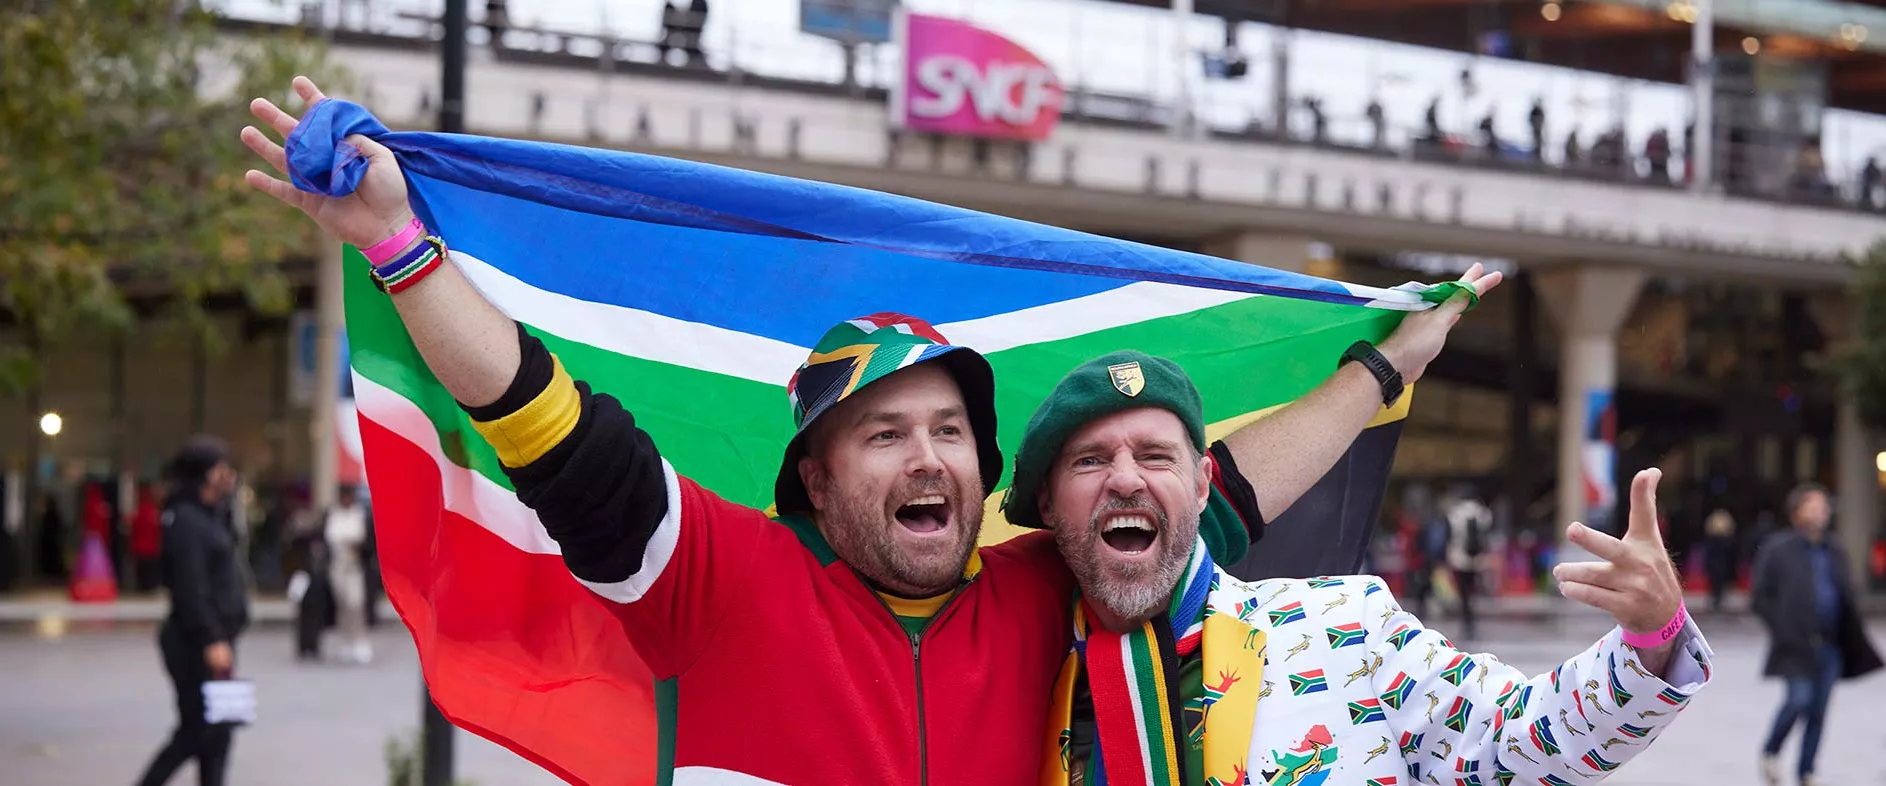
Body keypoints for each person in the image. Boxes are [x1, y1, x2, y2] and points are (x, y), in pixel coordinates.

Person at [238, 76, 1498, 783]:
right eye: (882, 432)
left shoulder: (1038, 599)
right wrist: (401, 247)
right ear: (816, 477)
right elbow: (554, 435)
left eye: (948, 430)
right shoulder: (719, 582)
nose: (927, 456)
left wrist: (1384, 366)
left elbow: (1212, 501)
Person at [1005, 352, 1713, 785]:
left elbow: (1519, 741)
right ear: (1047, 501)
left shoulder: (1345, 625)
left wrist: (1651, 641)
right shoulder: (1007, 670)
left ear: (1200, 484)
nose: (1125, 479)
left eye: (1155, 456)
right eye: (1090, 461)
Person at [1752, 483, 1883, 786]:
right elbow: (1760, 597)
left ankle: (1806, 771)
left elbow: (1846, 591)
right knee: (1798, 698)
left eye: (1824, 505)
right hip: (1795, 644)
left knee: (1819, 711)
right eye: (1813, 505)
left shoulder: (1833, 547)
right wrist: (1783, 628)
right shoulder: (1778, 548)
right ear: (1796, 512)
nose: (1821, 511)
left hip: (1830, 644)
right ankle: (1771, 751)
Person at [135, 436, 248, 786]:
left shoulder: (212, 515)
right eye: (220, 467)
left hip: (218, 639)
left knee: (220, 731)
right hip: (195, 642)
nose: (227, 474)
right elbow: (190, 588)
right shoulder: (185, 521)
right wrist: (210, 638)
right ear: (202, 473)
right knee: (197, 731)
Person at [322, 484, 375, 664]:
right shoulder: (333, 515)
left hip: (354, 566)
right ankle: (344, 639)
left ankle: (359, 639)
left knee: (356, 604)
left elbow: (366, 542)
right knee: (342, 605)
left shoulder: (359, 515)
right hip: (337, 566)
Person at [1444, 493, 1492, 641]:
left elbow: (1450, 535)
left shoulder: (1455, 514)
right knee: (1472, 589)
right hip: (1477, 558)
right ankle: (1471, 620)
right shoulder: (1483, 513)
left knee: (1463, 591)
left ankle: (1467, 619)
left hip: (1459, 557)